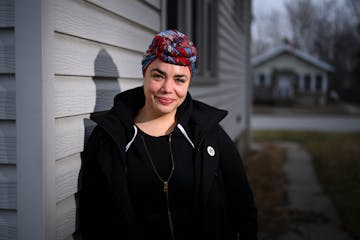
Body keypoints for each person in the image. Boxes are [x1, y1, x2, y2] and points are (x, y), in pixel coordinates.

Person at [77, 29, 257, 240]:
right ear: (145, 73)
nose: (168, 88)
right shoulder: (109, 138)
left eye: (179, 79)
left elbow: (243, 207)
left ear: (189, 83)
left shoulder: (208, 134)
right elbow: (92, 219)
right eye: (158, 75)